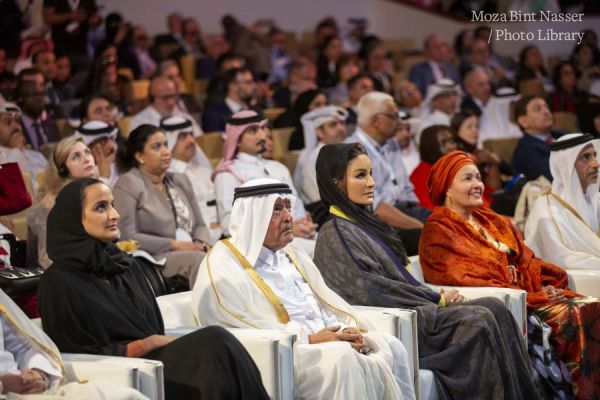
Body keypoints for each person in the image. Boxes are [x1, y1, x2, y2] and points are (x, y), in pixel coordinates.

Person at [313, 143, 540, 400]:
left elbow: (402, 278)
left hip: (417, 309)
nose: (371, 183)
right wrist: (435, 299)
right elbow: (371, 290)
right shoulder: (335, 233)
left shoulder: (365, 224)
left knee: (497, 308)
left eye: (371, 174)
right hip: (396, 322)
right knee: (477, 320)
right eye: (360, 175)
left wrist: (433, 296)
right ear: (336, 183)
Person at [38, 178, 270, 399]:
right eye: (101, 208)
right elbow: (75, 354)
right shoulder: (57, 282)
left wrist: (153, 343)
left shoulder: (125, 266)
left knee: (217, 348)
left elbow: (154, 329)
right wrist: (145, 345)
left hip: (157, 365)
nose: (114, 215)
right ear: (73, 219)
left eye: (113, 205)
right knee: (215, 342)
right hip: (120, 375)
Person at [191, 178, 415, 400]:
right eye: (277, 210)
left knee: (393, 346)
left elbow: (323, 302)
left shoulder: (293, 252)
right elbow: (237, 325)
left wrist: (346, 331)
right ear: (253, 217)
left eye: (288, 207)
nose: (289, 216)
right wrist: (310, 339)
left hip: (325, 342)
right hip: (288, 355)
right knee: (341, 358)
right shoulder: (223, 262)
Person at [419, 150, 600, 398]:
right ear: (447, 189)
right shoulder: (438, 229)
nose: (477, 185)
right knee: (574, 314)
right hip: (505, 304)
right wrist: (532, 294)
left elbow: (526, 259)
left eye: (478, 178)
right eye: (467, 179)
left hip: (528, 294)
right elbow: (464, 277)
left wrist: (540, 286)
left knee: (591, 305)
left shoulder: (489, 219)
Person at [1, 288, 149, 399]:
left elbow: (23, 345)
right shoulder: (57, 281)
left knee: (115, 395)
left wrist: (38, 373)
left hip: (29, 391)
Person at [113, 124, 210, 287]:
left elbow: (200, 224)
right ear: (139, 156)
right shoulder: (128, 183)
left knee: (229, 255)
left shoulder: (180, 180)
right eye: (156, 147)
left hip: (192, 249)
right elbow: (127, 236)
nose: (166, 151)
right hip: (156, 258)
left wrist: (202, 243)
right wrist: (176, 245)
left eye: (166, 144)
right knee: (200, 261)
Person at [213, 111, 317, 244]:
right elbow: (229, 225)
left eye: (263, 128)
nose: (262, 135)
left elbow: (297, 207)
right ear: (237, 140)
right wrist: (286, 230)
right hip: (261, 246)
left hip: (297, 236)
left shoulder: (278, 168)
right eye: (253, 131)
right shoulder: (227, 174)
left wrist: (304, 224)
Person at [346, 92, 429, 256]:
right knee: (430, 235)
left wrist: (420, 216)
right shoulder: (352, 150)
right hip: (376, 224)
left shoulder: (391, 144)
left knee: (448, 219)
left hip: (404, 209)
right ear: (376, 121)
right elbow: (373, 207)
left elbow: (406, 188)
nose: (398, 122)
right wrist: (420, 225)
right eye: (394, 116)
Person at [525, 133, 600, 269]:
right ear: (566, 165)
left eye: (595, 155)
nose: (596, 164)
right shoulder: (546, 208)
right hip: (567, 284)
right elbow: (561, 259)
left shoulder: (597, 202)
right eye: (586, 157)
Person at [27, 135, 98, 269]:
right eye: (76, 156)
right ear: (62, 170)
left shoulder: (98, 192)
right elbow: (46, 259)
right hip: (60, 277)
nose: (86, 158)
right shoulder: (50, 205)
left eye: (87, 152)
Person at [160, 116, 221, 243]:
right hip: (197, 238)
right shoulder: (167, 178)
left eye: (191, 135)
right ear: (170, 142)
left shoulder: (204, 171)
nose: (191, 141)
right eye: (183, 137)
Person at [294, 105, 348, 207]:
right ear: (319, 132)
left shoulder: (348, 153)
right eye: (333, 125)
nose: (341, 128)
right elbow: (321, 202)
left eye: (342, 123)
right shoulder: (312, 162)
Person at [0, 102, 47, 193]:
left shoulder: (37, 156)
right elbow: (8, 188)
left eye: (17, 121)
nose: (16, 126)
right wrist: (17, 150)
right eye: (7, 122)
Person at [130, 76, 202, 136]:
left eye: (173, 96)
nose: (171, 102)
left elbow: (200, 141)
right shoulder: (140, 123)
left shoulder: (184, 116)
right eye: (166, 97)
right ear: (152, 99)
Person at [512, 95, 561, 181]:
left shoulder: (563, 135)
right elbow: (552, 178)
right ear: (523, 121)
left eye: (547, 107)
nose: (546, 112)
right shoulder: (525, 150)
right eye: (537, 109)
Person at [410, 125, 457, 210]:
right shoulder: (422, 174)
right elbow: (429, 210)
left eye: (452, 141)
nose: (451, 147)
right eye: (443, 143)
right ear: (431, 146)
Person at [201, 67, 257, 133]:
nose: (254, 86)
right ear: (232, 86)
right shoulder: (213, 114)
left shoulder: (255, 109)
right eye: (248, 82)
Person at [16, 80, 61, 150]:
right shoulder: (16, 126)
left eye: (41, 94)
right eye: (34, 95)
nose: (39, 99)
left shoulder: (50, 123)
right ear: (21, 99)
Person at [74, 120, 119, 187]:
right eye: (103, 141)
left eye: (112, 138)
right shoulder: (79, 174)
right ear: (87, 146)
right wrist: (103, 176)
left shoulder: (122, 164)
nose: (111, 145)